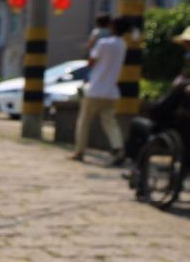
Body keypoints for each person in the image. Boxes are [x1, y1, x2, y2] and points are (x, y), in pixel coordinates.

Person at [124, 26, 190, 164]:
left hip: (173, 125)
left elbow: (159, 110)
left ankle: (134, 165)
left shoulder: (182, 85)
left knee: (137, 125)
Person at [70, 16, 129, 162]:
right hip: (112, 91)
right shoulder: (123, 45)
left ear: (112, 27)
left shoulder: (103, 43)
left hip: (95, 89)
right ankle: (118, 147)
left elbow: (91, 61)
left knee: (84, 122)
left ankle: (79, 151)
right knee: (110, 122)